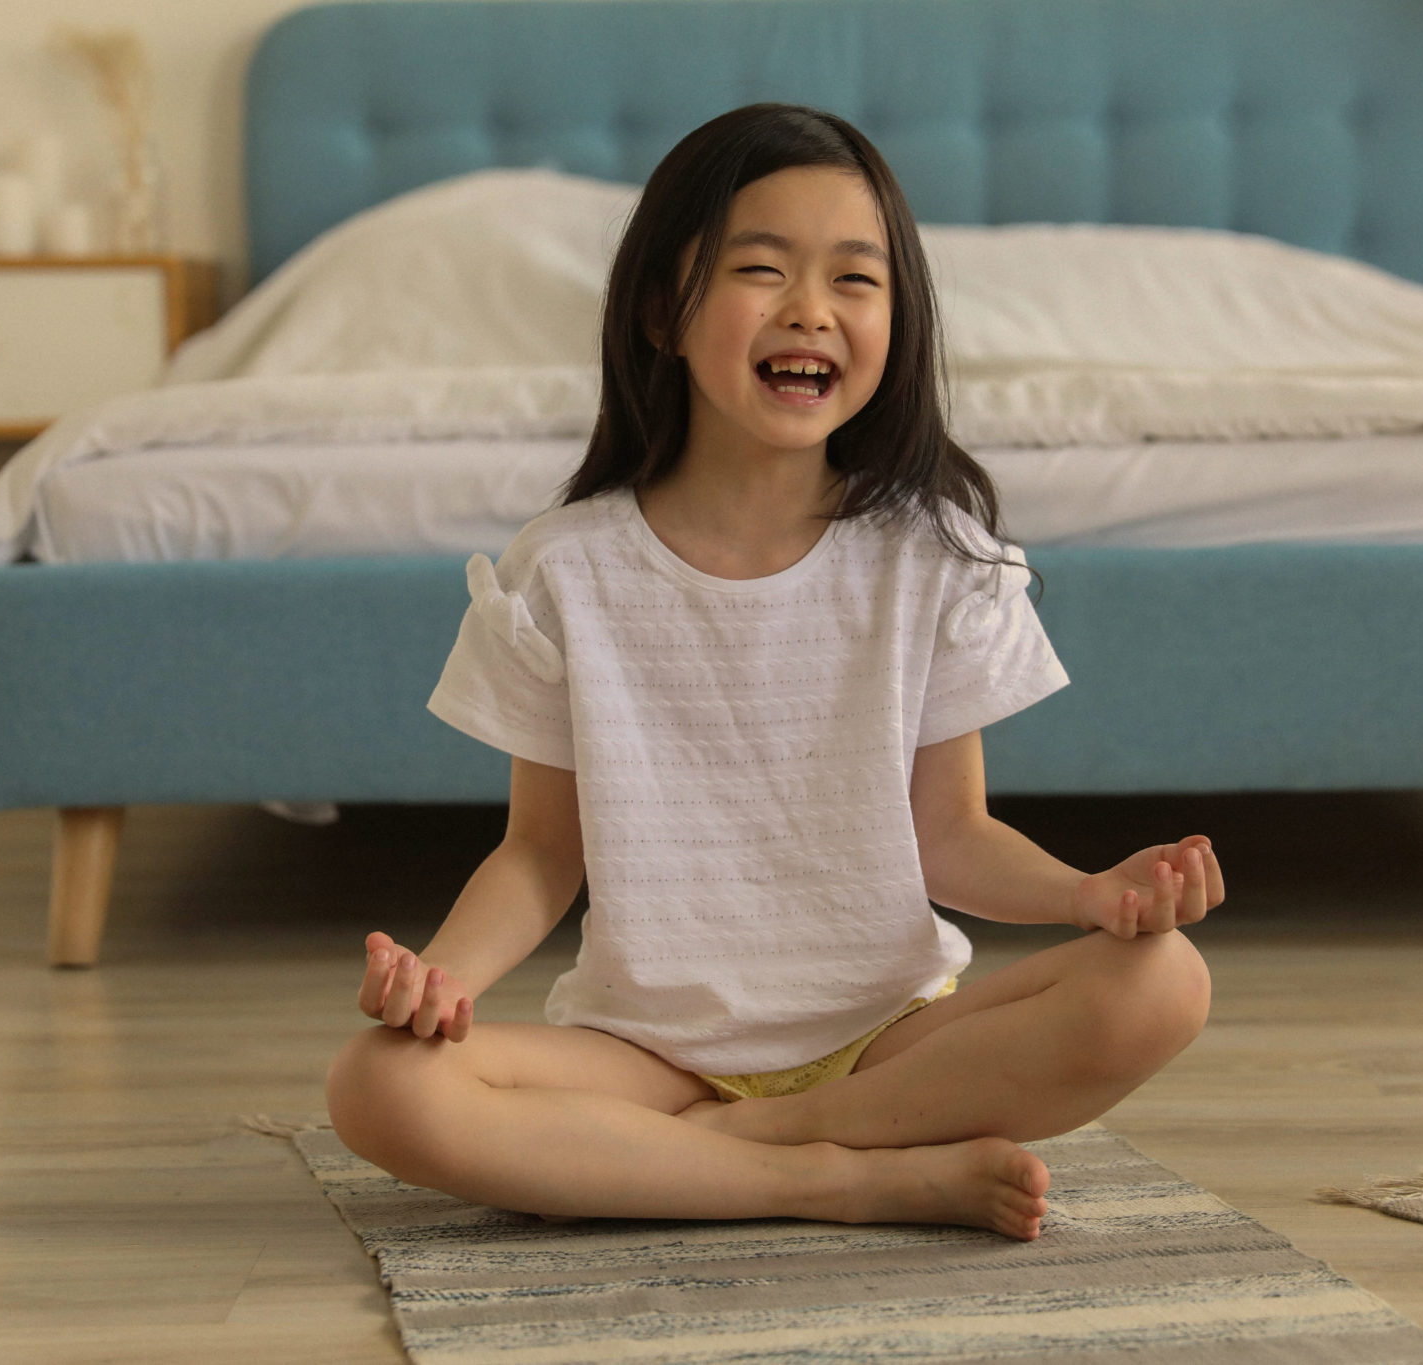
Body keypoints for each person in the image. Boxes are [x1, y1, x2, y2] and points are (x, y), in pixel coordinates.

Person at [324, 103, 1220, 1242]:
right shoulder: (565, 569)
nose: (811, 310)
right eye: (760, 268)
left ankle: (745, 1151)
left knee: (1161, 981)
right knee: (379, 1083)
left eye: (855, 280)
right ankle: (844, 1178)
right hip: (644, 1055)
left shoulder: (929, 556)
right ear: (663, 310)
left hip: (886, 1035)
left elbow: (950, 838)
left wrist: (1089, 895)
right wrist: (444, 980)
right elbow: (543, 852)